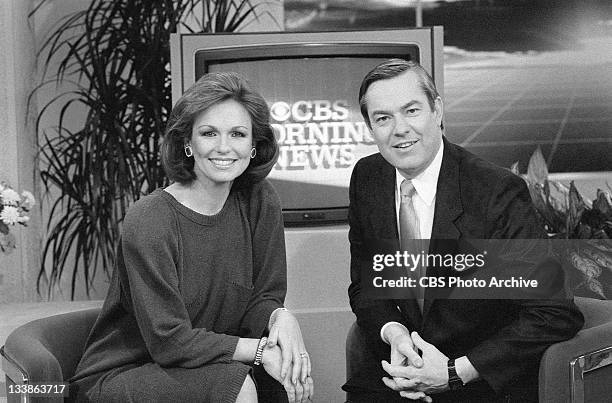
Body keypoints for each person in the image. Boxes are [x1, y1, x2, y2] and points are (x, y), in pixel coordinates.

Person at [343, 59, 584, 402]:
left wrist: (455, 372)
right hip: (401, 373)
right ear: (370, 128)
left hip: (479, 378)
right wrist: (395, 335)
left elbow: (554, 313)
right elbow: (367, 286)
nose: (399, 129)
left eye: (411, 110)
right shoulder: (368, 179)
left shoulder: (494, 192)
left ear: (437, 110)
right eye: (383, 118)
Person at [70, 72, 314, 403]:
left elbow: (264, 296)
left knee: (283, 377)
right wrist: (260, 350)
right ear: (188, 142)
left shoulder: (259, 199)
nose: (224, 147)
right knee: (235, 383)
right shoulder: (150, 218)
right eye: (209, 133)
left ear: (255, 146)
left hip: (207, 363)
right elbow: (169, 340)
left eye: (238, 134)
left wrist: (279, 317)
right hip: (127, 373)